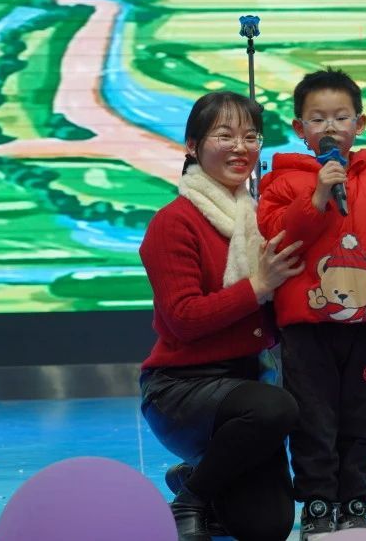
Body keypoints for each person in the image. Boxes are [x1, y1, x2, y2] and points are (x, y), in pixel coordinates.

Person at [258, 68, 366, 540]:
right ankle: (317, 502)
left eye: (340, 117)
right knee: (312, 417)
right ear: (300, 128)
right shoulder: (282, 183)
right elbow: (276, 235)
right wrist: (316, 196)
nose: (330, 127)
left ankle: (356, 499)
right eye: (317, 119)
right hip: (306, 328)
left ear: (360, 123)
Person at [138, 91, 306, 541]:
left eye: (251, 137)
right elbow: (184, 319)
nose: (240, 147)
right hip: (182, 388)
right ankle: (191, 499)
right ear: (192, 146)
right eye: (225, 136)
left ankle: (198, 477)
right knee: (275, 407)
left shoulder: (259, 220)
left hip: (249, 384)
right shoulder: (174, 222)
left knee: (268, 527)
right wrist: (258, 286)